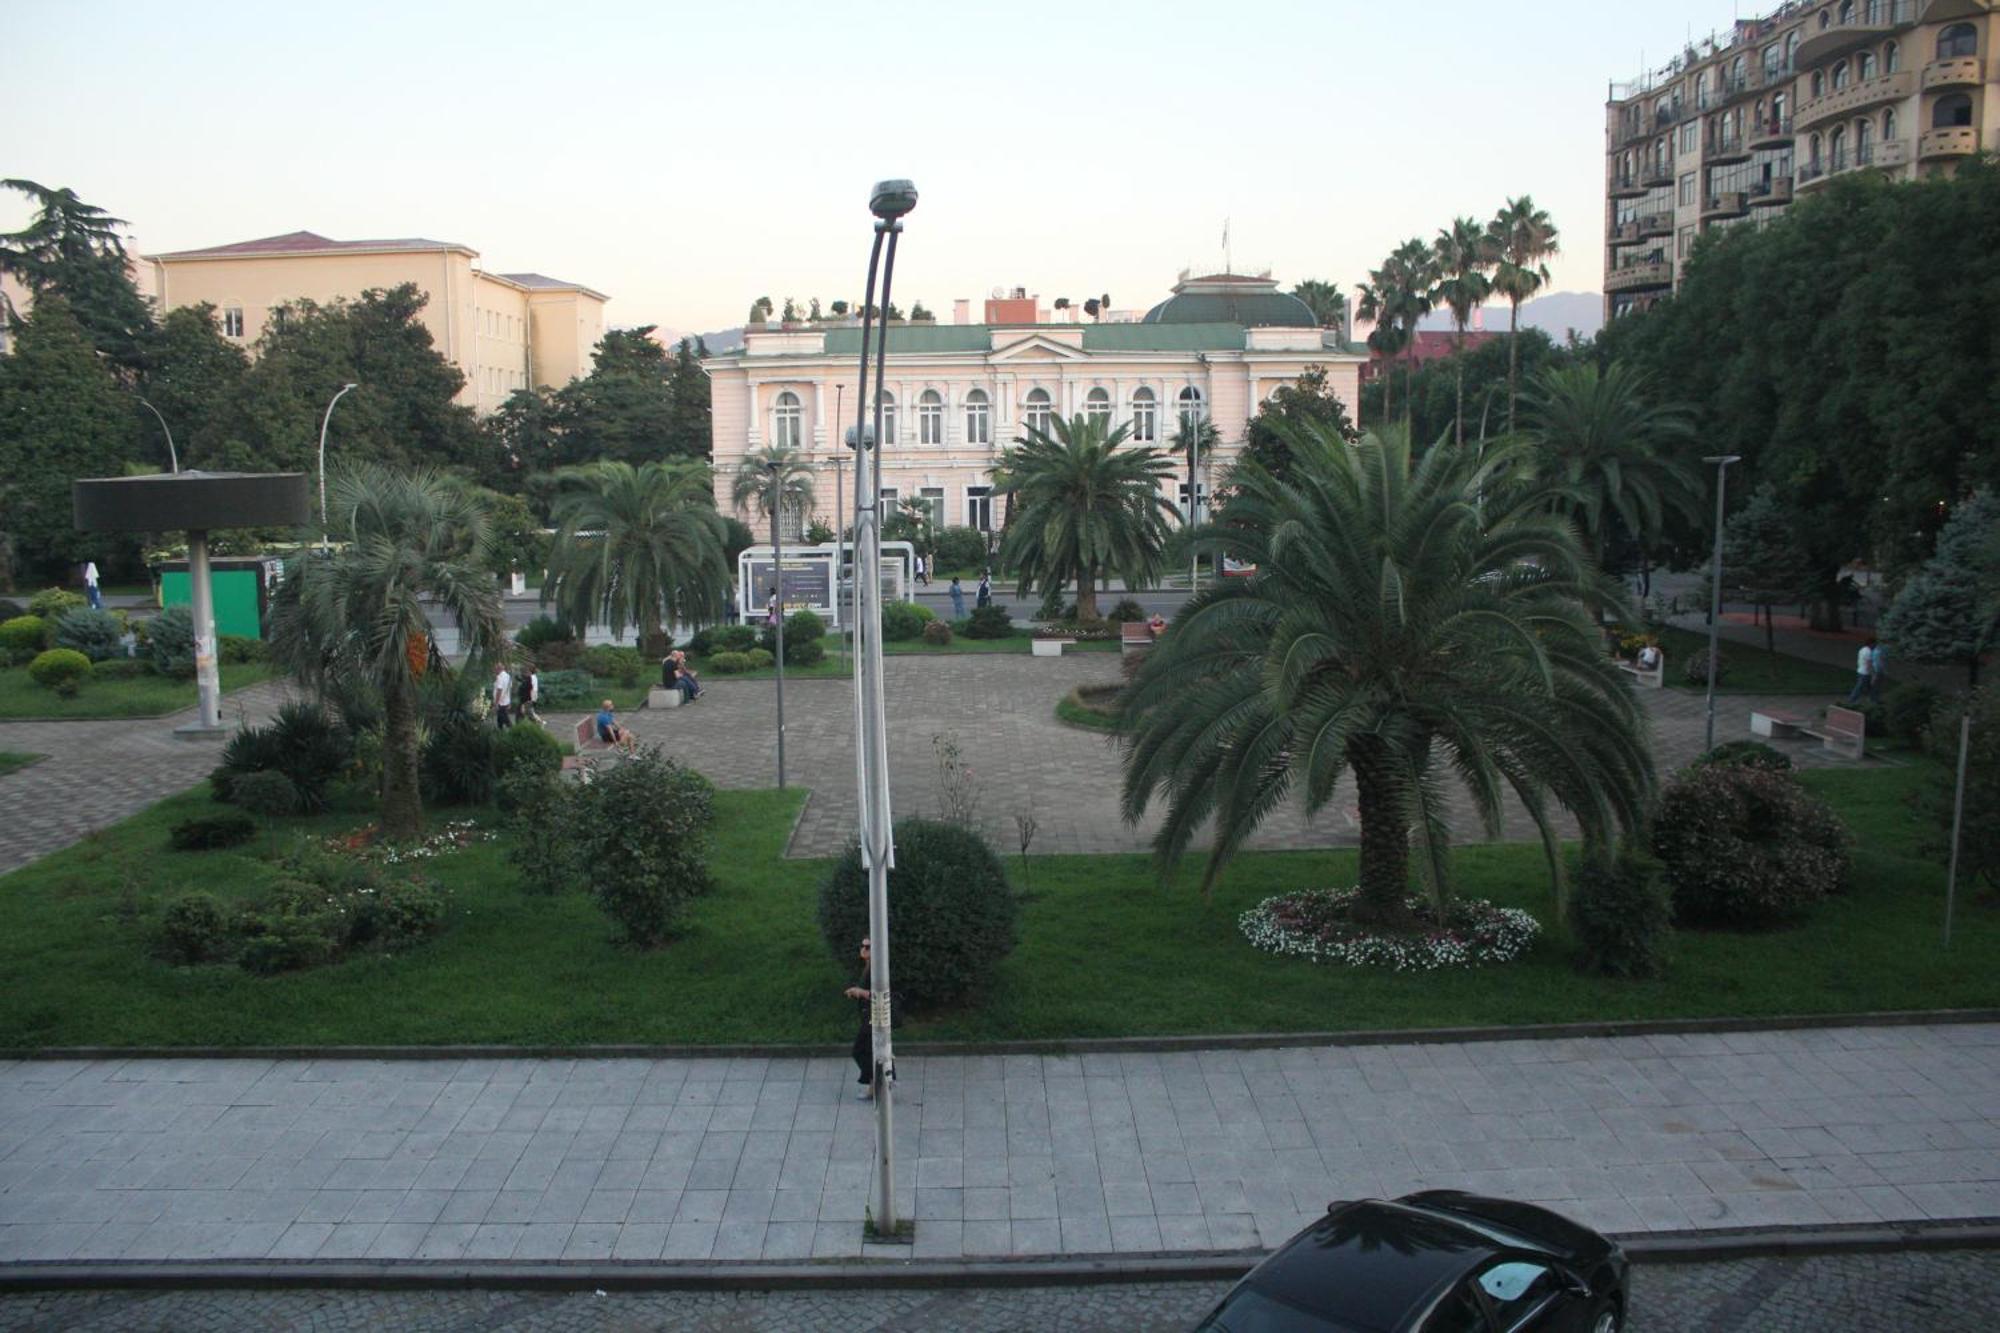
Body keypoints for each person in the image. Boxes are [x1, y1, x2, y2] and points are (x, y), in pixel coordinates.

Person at [844, 937, 876, 1101]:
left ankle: (878, 1082)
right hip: (868, 1016)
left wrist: (860, 993)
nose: (863, 949)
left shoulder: (877, 968)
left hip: (874, 1017)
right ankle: (874, 1085)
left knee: (861, 1050)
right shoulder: (869, 967)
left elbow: (880, 994)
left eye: (868, 946)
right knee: (870, 1050)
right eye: (862, 945)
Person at [1846, 638, 1882, 706]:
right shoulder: (1868, 652)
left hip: (1861, 671)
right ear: (1871, 644)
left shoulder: (1862, 649)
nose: (1875, 645)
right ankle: (1852, 700)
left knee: (1869, 687)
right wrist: (1873, 674)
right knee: (1860, 687)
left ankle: (1873, 700)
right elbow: (1869, 664)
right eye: (1875, 644)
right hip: (1865, 673)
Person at [492, 663, 513, 729]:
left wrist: (496, 703)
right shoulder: (508, 676)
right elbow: (509, 689)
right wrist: (510, 701)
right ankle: (500, 732)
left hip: (501, 703)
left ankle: (514, 731)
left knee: (506, 720)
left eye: (495, 669)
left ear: (498, 669)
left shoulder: (500, 677)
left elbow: (499, 690)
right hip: (506, 701)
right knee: (500, 719)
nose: (494, 671)